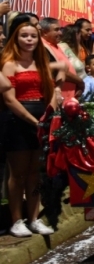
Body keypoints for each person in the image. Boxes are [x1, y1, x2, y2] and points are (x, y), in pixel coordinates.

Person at [2, 20, 59, 237]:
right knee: (17, 175)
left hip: (41, 118)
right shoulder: (9, 64)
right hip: (17, 122)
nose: (29, 40)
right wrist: (35, 121)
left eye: (33, 36)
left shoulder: (42, 62)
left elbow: (53, 90)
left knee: (35, 174)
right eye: (24, 36)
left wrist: (49, 115)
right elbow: (9, 100)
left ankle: (34, 218)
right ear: (16, 39)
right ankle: (16, 220)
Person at [40, 17, 83, 100]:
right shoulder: (43, 47)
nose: (60, 33)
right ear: (45, 32)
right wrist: (79, 81)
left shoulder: (56, 45)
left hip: (67, 98)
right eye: (56, 30)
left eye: (60, 29)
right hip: (56, 97)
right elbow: (57, 71)